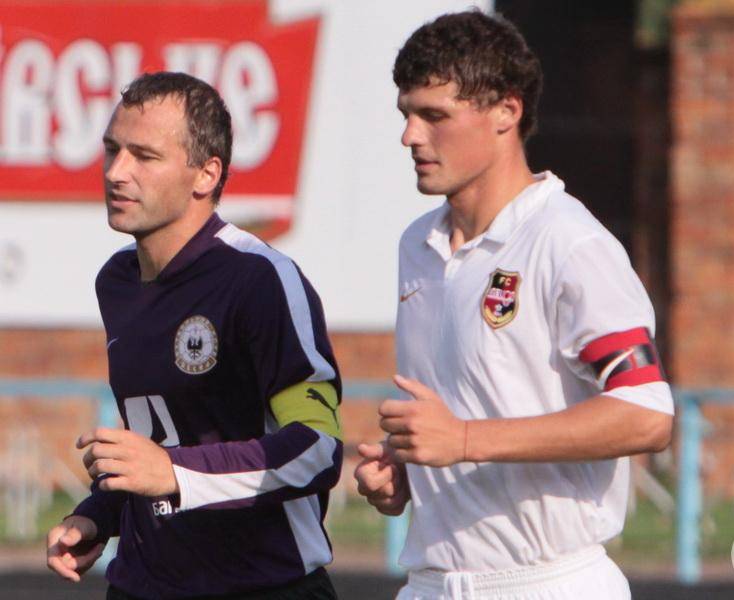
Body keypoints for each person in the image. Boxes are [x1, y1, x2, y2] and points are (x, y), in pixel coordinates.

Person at [354, 11, 674, 600]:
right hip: (429, 585)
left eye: (434, 116)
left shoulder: (569, 242)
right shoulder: (416, 245)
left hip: (548, 583)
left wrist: (465, 440)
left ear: (506, 111)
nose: (410, 137)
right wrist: (409, 472)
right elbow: (472, 410)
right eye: (406, 114)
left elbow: (646, 412)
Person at [45, 72, 342, 599]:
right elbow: (164, 438)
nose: (116, 172)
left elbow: (318, 448)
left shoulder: (259, 279)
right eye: (112, 149)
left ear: (206, 174)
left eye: (144, 156)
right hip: (141, 585)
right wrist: (99, 513)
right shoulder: (117, 281)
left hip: (263, 586)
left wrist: (173, 472)